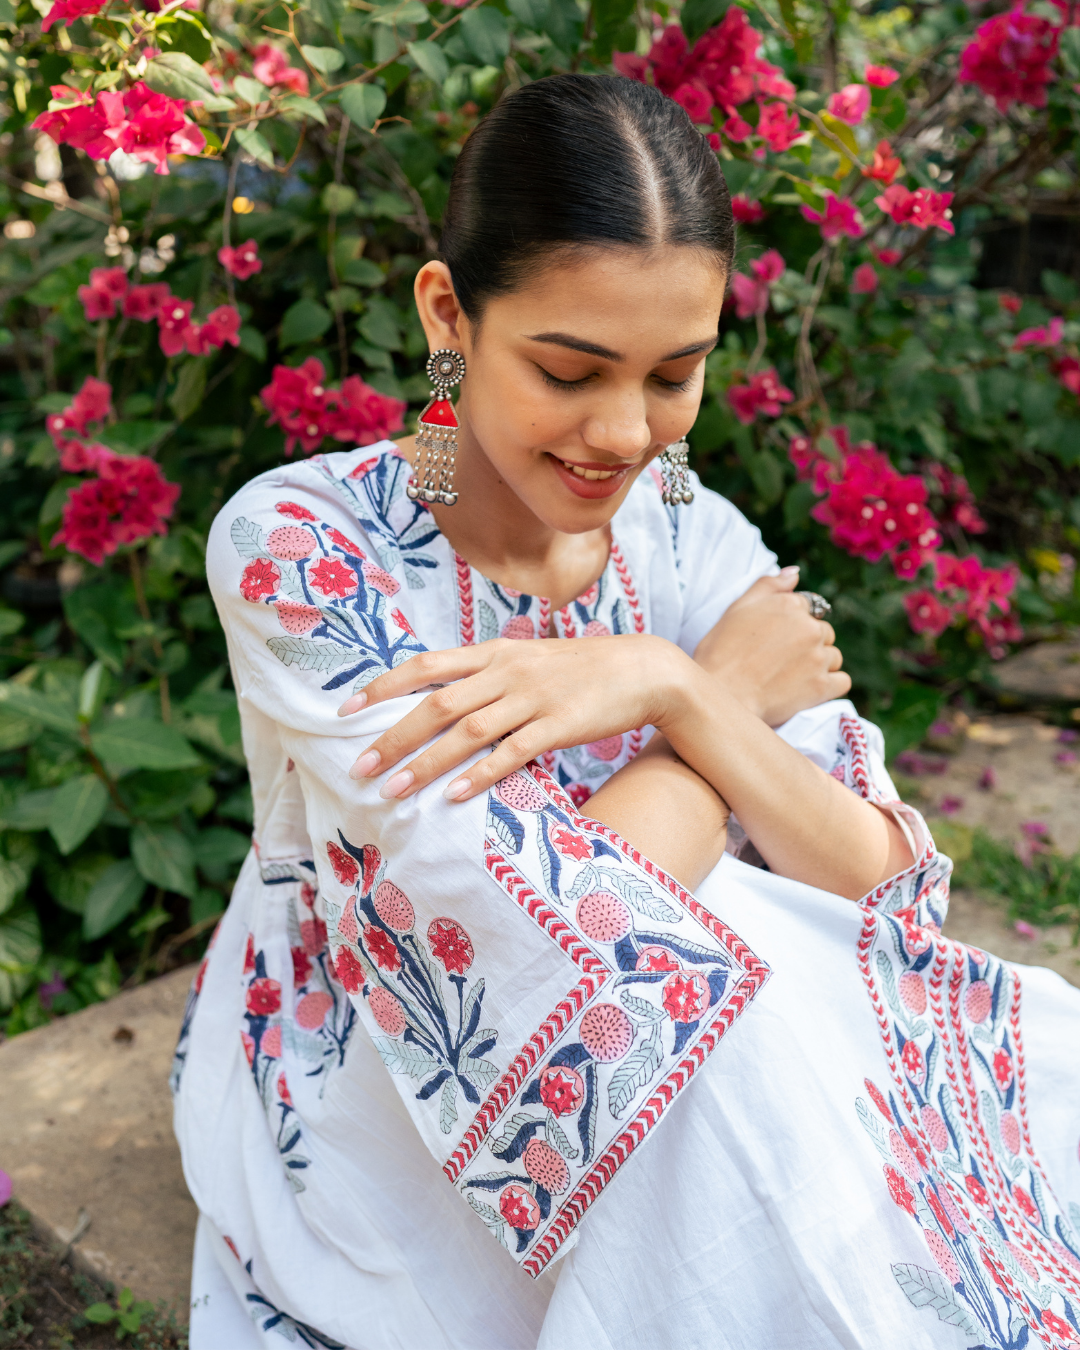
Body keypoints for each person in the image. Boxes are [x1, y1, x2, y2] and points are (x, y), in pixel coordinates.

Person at [173, 74, 1080, 1349]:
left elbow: (876, 876)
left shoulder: (691, 537)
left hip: (660, 1034)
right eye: (569, 367)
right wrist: (721, 709)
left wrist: (671, 688)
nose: (621, 433)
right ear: (449, 314)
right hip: (398, 1066)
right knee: (738, 1026)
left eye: (674, 375)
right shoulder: (306, 550)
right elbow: (501, 957)